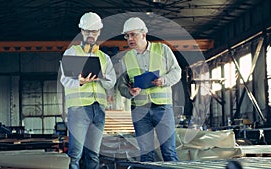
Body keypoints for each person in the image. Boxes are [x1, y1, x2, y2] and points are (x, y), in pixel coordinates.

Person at [117, 17, 181, 162]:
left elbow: (177, 72)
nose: (129, 39)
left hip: (162, 108)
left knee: (169, 151)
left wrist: (163, 80)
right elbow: (121, 86)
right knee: (146, 154)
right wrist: (130, 92)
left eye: (133, 34)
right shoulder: (126, 58)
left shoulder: (163, 50)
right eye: (127, 36)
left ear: (143, 34)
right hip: (140, 110)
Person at [60, 12, 116, 169]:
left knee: (93, 154)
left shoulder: (104, 58)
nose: (90, 35)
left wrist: (102, 77)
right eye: (87, 31)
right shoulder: (71, 53)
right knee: (75, 154)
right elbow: (64, 80)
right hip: (78, 109)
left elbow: (111, 83)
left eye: (94, 31)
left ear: (99, 32)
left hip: (98, 109)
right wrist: (79, 81)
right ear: (82, 31)